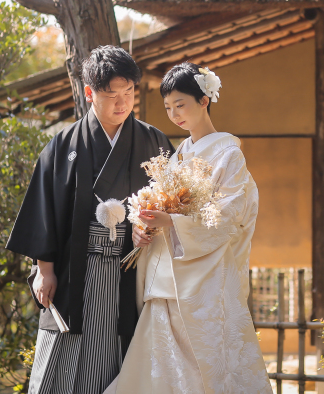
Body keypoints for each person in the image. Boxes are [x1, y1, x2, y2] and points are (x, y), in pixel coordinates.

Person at [6, 46, 174, 394]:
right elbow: (45, 209)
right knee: (67, 353)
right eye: (111, 95)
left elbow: (170, 203)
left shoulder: (152, 141)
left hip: (133, 267)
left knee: (125, 348)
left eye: (128, 93)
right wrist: (45, 269)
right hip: (75, 270)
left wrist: (150, 227)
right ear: (88, 93)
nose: (121, 103)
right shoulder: (63, 144)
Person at [104, 62, 272, 394]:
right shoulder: (179, 154)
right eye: (168, 108)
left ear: (204, 100)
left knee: (206, 364)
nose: (174, 114)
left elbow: (230, 216)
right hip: (168, 273)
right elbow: (162, 209)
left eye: (180, 104)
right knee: (159, 363)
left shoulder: (228, 154)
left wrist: (173, 221)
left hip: (206, 278)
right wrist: (144, 230)